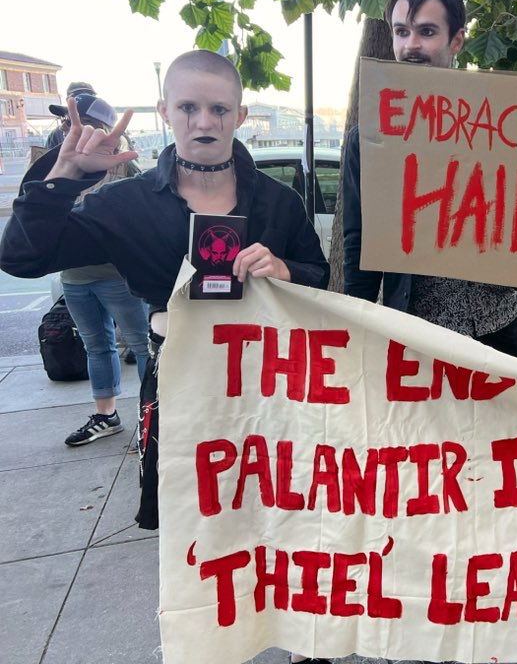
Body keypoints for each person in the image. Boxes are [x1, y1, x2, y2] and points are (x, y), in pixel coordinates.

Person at [0, 50, 329, 535]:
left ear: (239, 115)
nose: (204, 122)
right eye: (188, 108)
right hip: (178, 384)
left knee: (276, 515)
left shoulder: (280, 202)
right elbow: (22, 258)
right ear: (165, 111)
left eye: (219, 109)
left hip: (266, 383)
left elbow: (319, 278)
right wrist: (65, 179)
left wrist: (284, 270)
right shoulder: (125, 203)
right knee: (187, 524)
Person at [343, 0, 517, 361]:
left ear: (457, 40)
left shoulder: (506, 124)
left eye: (427, 32)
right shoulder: (368, 141)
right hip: (418, 340)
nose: (411, 45)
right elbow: (359, 245)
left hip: (500, 334)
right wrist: (353, 337)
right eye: (402, 32)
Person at [37, 92, 153, 446]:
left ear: (101, 126)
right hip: (74, 277)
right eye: (64, 120)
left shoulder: (123, 167)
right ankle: (107, 415)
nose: (65, 126)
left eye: (76, 120)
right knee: (96, 347)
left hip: (117, 277)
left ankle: (153, 417)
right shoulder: (59, 162)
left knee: (143, 346)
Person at [45, 81, 96, 149]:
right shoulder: (57, 134)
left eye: (69, 122)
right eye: (64, 119)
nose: (62, 127)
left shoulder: (108, 139)